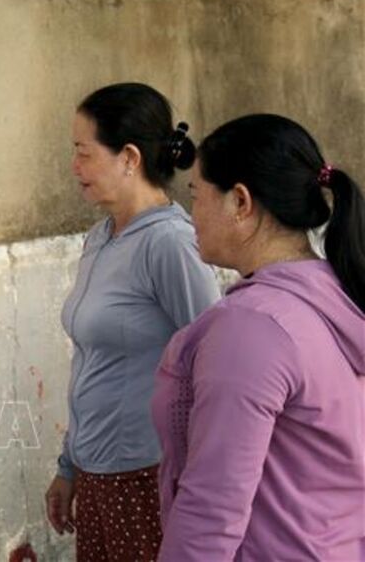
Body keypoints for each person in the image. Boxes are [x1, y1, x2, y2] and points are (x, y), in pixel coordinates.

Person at [152, 114, 365, 561]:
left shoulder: (251, 328)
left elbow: (212, 508)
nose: (192, 215)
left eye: (197, 196)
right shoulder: (334, 294)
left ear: (240, 202)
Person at [45, 83, 221, 561]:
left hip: (146, 476)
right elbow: (90, 361)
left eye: (84, 152)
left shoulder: (170, 244)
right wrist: (68, 466)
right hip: (95, 471)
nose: (74, 166)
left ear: (129, 157)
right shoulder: (100, 237)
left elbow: (216, 363)